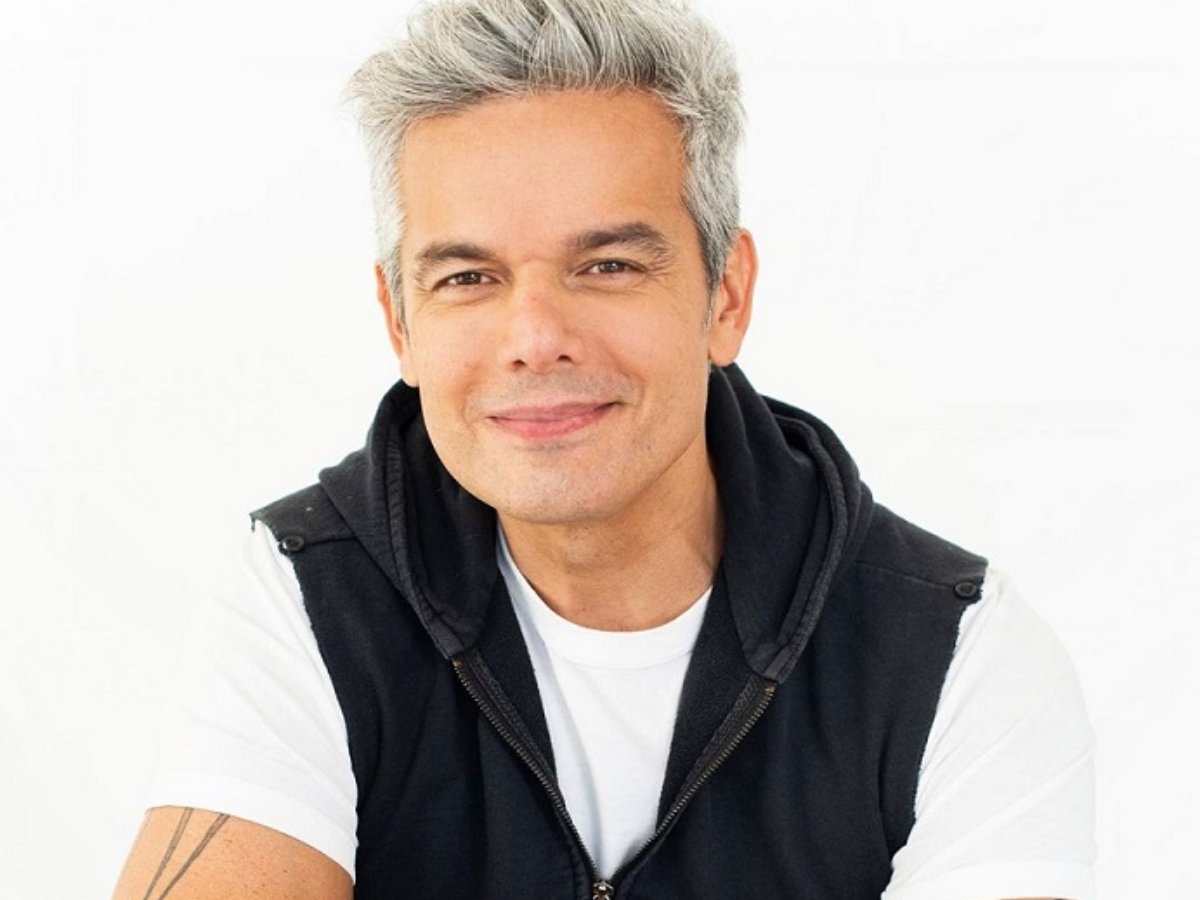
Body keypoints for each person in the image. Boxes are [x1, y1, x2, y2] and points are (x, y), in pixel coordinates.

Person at [113, 1, 1096, 897]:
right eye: (467, 278)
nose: (535, 337)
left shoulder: (956, 655)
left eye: (608, 265)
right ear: (398, 321)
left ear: (726, 296)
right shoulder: (310, 594)